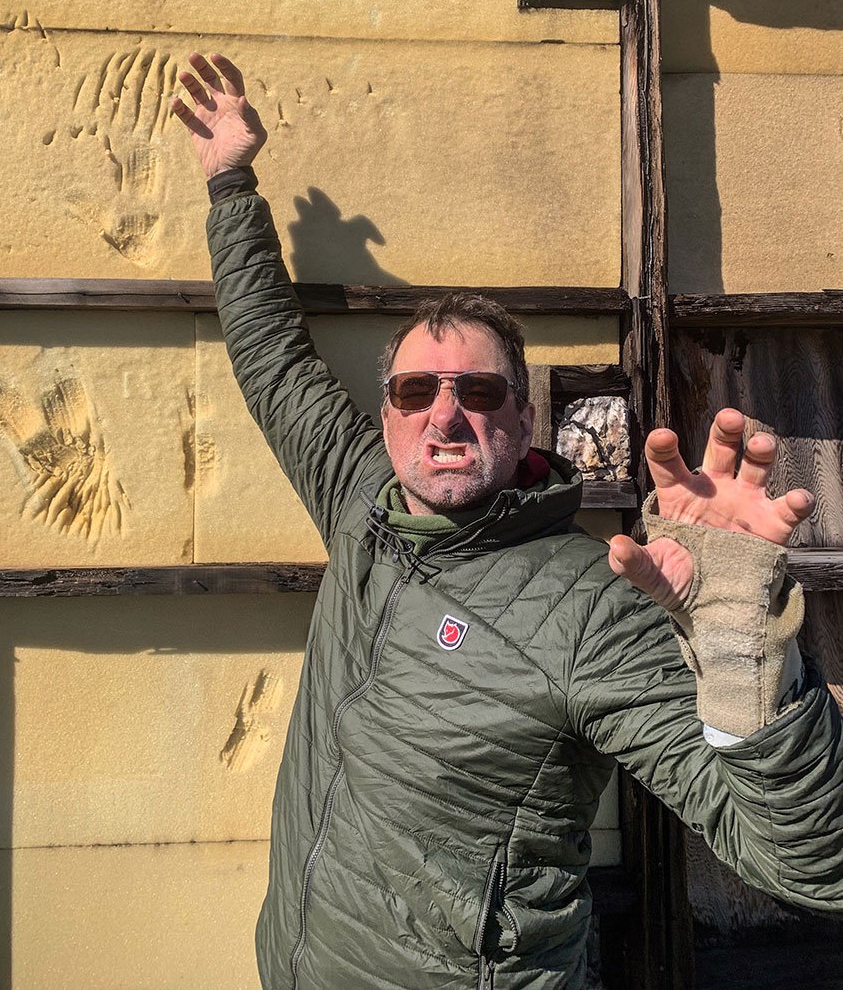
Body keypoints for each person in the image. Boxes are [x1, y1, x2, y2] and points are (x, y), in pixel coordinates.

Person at [172, 52, 843, 990]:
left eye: (478, 390)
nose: (445, 415)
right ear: (388, 415)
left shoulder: (588, 609)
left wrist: (742, 654)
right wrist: (231, 184)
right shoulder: (359, 498)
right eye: (417, 390)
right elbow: (272, 361)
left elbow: (811, 868)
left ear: (523, 418)